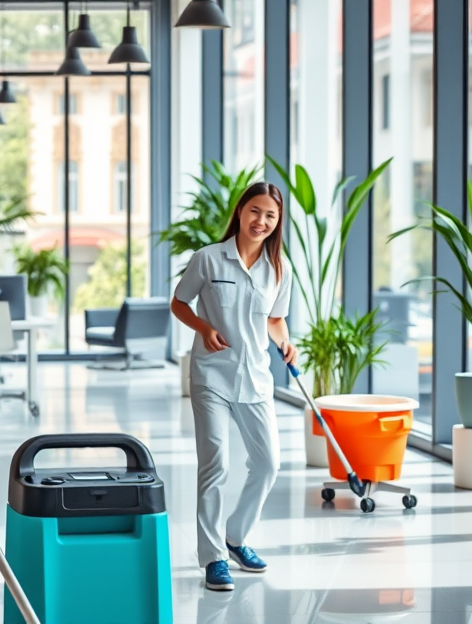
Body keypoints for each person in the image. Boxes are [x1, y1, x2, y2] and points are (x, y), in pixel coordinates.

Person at [170, 181, 298, 592]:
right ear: (240, 212)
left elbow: (274, 319)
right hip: (211, 376)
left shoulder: (280, 268)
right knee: (216, 465)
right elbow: (179, 302)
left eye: (270, 216)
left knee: (268, 464)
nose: (261, 221)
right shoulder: (208, 259)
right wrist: (203, 327)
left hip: (256, 377)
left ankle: (236, 537)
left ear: (277, 223)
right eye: (255, 211)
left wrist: (286, 342)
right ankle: (213, 558)